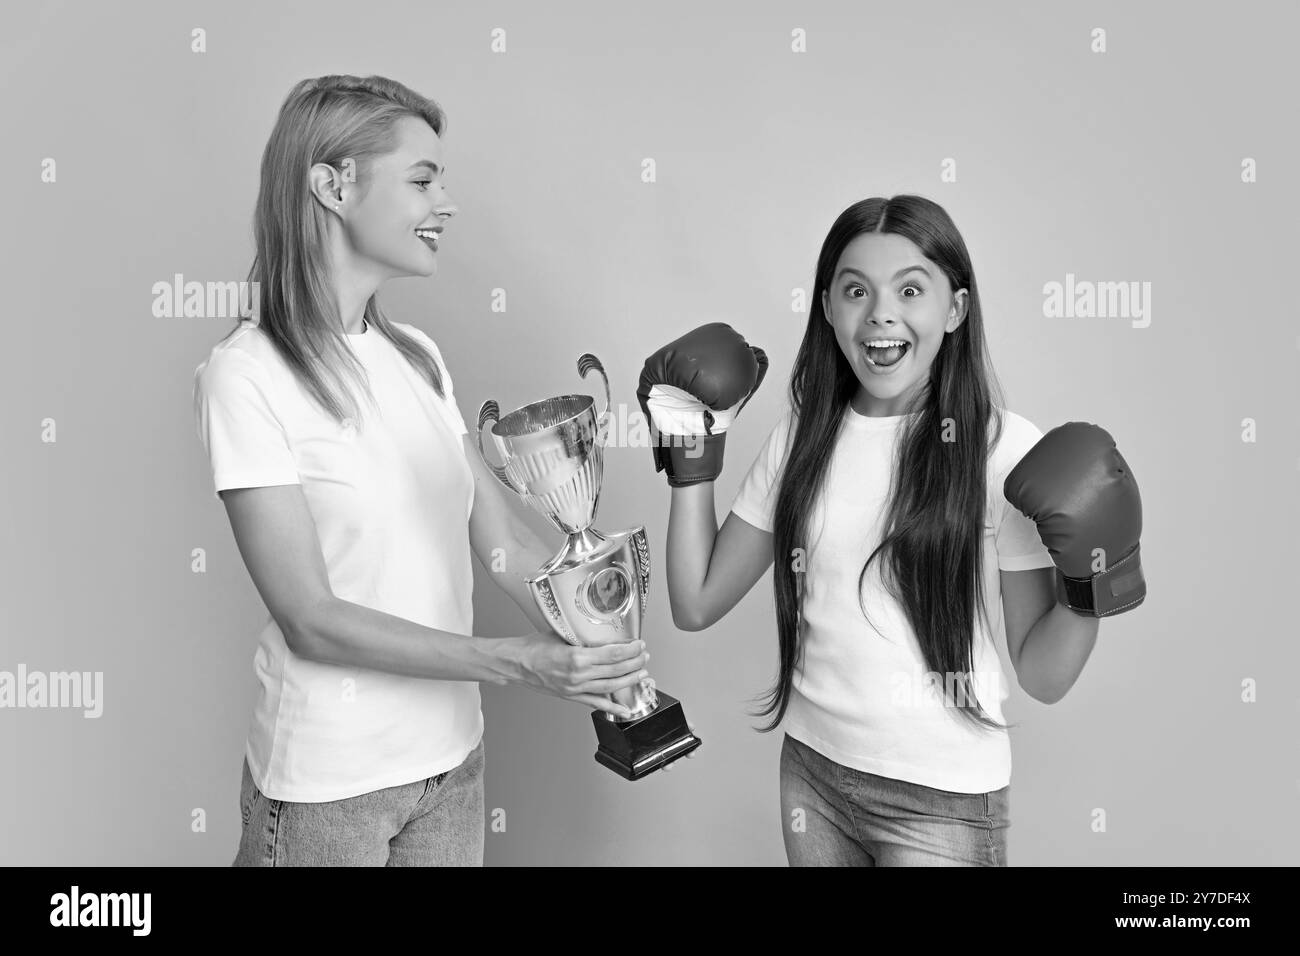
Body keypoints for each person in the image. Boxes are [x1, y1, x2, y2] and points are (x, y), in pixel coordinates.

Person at [192, 74, 648, 867]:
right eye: (423, 179)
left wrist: (596, 639)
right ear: (332, 185)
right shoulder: (246, 374)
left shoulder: (419, 359)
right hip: (329, 789)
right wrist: (514, 662)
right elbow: (311, 617)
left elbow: (500, 537)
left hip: (450, 764)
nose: (448, 202)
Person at [636, 194, 1145, 866]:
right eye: (856, 291)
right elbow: (696, 601)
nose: (881, 313)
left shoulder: (1001, 451)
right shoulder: (802, 438)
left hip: (941, 798)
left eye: (911, 289)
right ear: (827, 308)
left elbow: (1044, 675)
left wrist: (1095, 577)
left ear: (955, 309)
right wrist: (688, 455)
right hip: (813, 775)